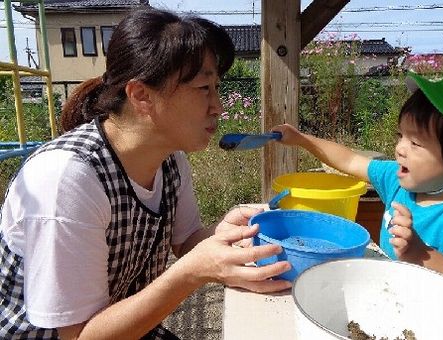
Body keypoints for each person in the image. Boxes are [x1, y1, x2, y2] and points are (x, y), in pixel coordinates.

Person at [0, 8, 292, 339]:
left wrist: (222, 234)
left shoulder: (170, 159)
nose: (218, 106)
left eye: (216, 87)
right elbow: (79, 336)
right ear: (141, 96)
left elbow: (185, 242)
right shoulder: (67, 179)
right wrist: (191, 273)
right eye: (203, 88)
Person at [272, 71, 443, 315]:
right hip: (390, 304)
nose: (399, 149)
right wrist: (302, 139)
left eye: (415, 143)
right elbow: (351, 160)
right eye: (401, 136)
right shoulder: (399, 181)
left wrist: (423, 255)